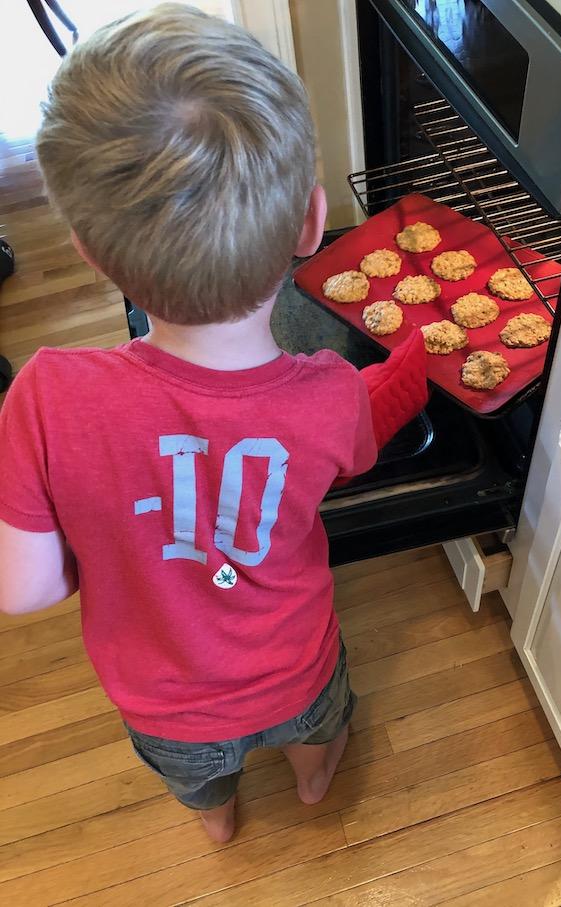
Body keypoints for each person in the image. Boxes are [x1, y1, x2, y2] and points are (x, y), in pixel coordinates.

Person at [0, 4, 377, 844]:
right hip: (296, 664)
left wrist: (114, 540)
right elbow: (353, 458)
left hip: (162, 698)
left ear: (92, 256)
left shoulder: (45, 394)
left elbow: (22, 588)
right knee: (321, 736)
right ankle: (315, 783)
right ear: (312, 224)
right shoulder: (331, 392)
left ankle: (220, 825)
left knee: (200, 789)